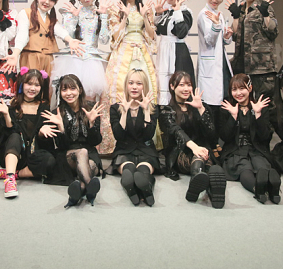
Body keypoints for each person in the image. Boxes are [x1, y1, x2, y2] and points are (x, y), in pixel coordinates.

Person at [105, 0, 158, 152]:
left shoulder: (146, 8)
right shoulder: (116, 8)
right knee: (120, 88)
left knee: (146, 87)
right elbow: (114, 36)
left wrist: (145, 17)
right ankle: (119, 136)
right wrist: (125, 17)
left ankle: (145, 134)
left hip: (142, 51)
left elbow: (151, 36)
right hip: (123, 52)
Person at [159, 71, 227, 208]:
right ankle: (200, 177)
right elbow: (176, 131)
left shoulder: (199, 105)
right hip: (180, 152)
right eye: (181, 85)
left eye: (189, 85)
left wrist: (201, 109)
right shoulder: (166, 110)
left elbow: (212, 135)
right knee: (202, 158)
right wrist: (194, 147)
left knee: (204, 158)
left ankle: (208, 189)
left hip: (202, 149)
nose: (186, 89)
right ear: (172, 86)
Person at [39, 74, 104, 208]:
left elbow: (96, 141)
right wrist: (61, 128)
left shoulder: (91, 108)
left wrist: (92, 124)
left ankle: (80, 190)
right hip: (68, 155)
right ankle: (90, 189)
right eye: (64, 89)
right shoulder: (57, 113)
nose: (69, 93)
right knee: (82, 152)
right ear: (60, 92)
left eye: (72, 88)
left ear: (80, 90)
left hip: (90, 153)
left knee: (91, 164)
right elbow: (62, 146)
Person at [0, 67, 52, 198]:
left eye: (37, 85)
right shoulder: (12, 105)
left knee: (51, 162)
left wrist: (42, 132)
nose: (33, 88)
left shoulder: (44, 107)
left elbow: (46, 141)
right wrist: (6, 115)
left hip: (33, 155)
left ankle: (13, 174)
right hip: (14, 154)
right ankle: (10, 180)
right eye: (29, 84)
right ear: (22, 84)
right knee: (15, 136)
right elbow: (7, 135)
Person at [218, 73, 281, 204]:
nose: (238, 93)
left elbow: (265, 137)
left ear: (250, 88)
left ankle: (273, 190)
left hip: (256, 149)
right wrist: (233, 117)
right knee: (244, 170)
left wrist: (258, 115)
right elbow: (225, 137)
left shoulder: (260, 106)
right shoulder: (227, 107)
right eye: (234, 89)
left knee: (262, 167)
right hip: (235, 150)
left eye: (242, 88)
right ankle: (258, 190)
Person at [5, 0, 84, 77]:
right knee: (31, 84)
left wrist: (70, 40)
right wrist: (15, 54)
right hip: (30, 57)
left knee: (47, 85)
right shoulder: (26, 13)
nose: (47, 2)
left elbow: (60, 31)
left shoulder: (51, 19)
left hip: (48, 59)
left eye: (51, 0)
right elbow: (22, 36)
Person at [225, 0, 278, 111]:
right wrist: (236, 16)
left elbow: (273, 31)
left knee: (264, 104)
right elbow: (235, 35)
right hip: (242, 63)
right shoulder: (241, 9)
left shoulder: (264, 8)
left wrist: (265, 14)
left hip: (261, 66)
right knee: (243, 103)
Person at [52, 0, 111, 101]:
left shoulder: (100, 13)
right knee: (71, 95)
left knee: (90, 98)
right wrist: (74, 17)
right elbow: (67, 39)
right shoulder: (73, 12)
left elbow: (104, 40)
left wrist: (104, 17)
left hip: (92, 60)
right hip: (74, 58)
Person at [110, 69, 160, 206]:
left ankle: (146, 189)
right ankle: (132, 189)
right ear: (126, 85)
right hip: (124, 150)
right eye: (131, 83)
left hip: (145, 150)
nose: (134, 87)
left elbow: (148, 135)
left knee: (143, 172)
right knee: (129, 171)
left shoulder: (153, 108)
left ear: (145, 86)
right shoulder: (115, 108)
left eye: (139, 83)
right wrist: (124, 112)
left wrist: (146, 111)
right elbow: (118, 136)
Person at [197, 0, 233, 120]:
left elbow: (222, 42)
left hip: (221, 62)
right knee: (211, 107)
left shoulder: (219, 14)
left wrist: (227, 36)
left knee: (223, 102)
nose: (214, 0)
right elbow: (210, 41)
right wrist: (216, 26)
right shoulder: (204, 14)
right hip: (210, 66)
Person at [153, 0, 195, 105]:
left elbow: (181, 33)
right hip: (164, 51)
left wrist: (177, 11)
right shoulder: (167, 11)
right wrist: (158, 14)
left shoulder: (185, 13)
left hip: (177, 53)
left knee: (177, 82)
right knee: (162, 82)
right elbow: (159, 32)